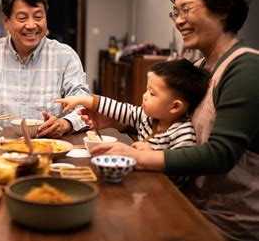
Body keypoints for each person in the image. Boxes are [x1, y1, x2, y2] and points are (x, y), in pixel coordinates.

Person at [86, 0, 259, 241]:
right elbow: (178, 128)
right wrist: (119, 124)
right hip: (189, 201)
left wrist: (139, 157)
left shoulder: (246, 69)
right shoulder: (202, 68)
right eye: (175, 12)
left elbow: (221, 154)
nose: (179, 20)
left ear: (224, 10)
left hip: (229, 219)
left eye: (186, 9)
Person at [0, 0, 91, 138]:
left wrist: (65, 124)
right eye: (22, 18)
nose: (31, 25)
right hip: (2, 149)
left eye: (38, 17)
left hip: (51, 148)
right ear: (6, 20)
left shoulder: (65, 56)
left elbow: (84, 107)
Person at [56, 58, 209, 187]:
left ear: (174, 106)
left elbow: (182, 175)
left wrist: (152, 156)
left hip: (164, 196)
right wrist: (86, 100)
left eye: (152, 93)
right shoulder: (147, 117)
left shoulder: (183, 133)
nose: (144, 96)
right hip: (141, 185)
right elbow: (120, 109)